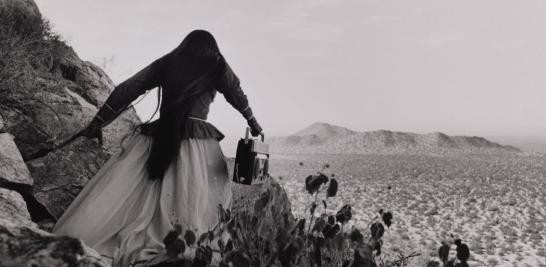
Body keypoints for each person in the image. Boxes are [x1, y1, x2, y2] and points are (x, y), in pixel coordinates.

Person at [52, 30, 262, 266]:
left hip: (159, 136)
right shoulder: (217, 64)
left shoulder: (170, 61)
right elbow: (236, 93)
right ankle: (189, 244)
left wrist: (99, 122)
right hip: (199, 144)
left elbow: (129, 88)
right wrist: (253, 123)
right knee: (201, 197)